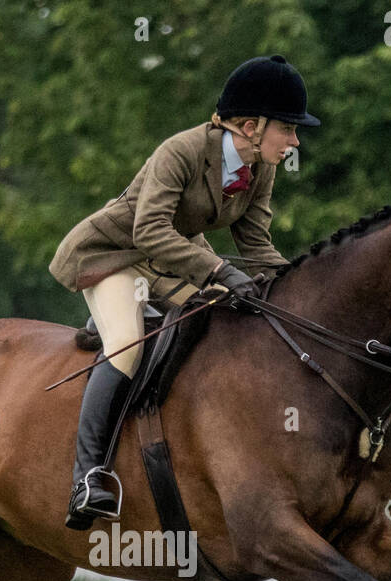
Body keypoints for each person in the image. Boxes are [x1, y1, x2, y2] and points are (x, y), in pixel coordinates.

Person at [49, 53, 320, 530]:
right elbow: (150, 231)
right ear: (251, 126)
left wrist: (300, 290)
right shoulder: (181, 151)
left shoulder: (260, 167)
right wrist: (220, 270)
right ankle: (87, 476)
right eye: (289, 129)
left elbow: (255, 244)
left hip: (172, 260)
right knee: (125, 345)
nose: (295, 140)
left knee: (228, 321)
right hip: (116, 255)